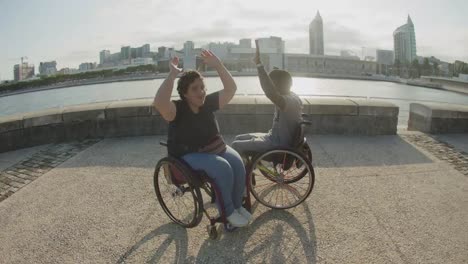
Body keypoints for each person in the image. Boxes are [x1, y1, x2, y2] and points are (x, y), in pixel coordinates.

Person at [153, 50, 251, 227]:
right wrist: (172, 74)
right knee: (223, 168)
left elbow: (231, 89)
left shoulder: (206, 103)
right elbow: (159, 103)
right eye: (195, 89)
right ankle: (227, 213)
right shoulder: (178, 109)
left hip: (214, 148)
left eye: (202, 87)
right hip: (187, 156)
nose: (201, 92)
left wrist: (218, 64)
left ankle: (237, 206)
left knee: (237, 164)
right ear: (185, 94)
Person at [232, 40, 303, 156]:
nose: (270, 85)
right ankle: (247, 166)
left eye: (272, 83)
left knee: (236, 145)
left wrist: (259, 65)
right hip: (273, 137)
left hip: (277, 143)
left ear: (279, 84)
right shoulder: (291, 95)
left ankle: (243, 172)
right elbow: (272, 89)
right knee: (239, 138)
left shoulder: (288, 101)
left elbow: (270, 92)